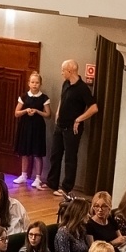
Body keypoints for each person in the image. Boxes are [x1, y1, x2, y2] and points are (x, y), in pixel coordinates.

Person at [45, 60, 97, 197]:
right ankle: (52, 182)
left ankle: (66, 187)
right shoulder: (66, 83)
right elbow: (63, 98)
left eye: (63, 70)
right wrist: (57, 112)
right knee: (55, 154)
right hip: (60, 125)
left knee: (70, 158)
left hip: (72, 129)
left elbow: (93, 108)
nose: (61, 73)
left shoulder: (82, 88)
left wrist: (79, 119)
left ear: (70, 71)